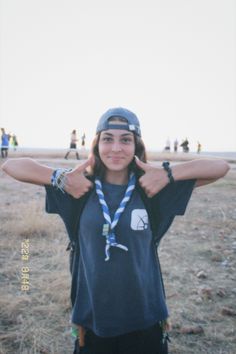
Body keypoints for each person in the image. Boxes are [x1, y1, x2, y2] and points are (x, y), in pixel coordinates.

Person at [2, 107, 229, 354]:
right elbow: (12, 166)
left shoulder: (151, 189)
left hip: (147, 321)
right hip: (92, 323)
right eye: (108, 139)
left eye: (126, 140)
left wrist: (167, 174)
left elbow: (220, 167)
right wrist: (60, 177)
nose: (116, 148)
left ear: (136, 145)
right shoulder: (78, 188)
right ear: (97, 144)